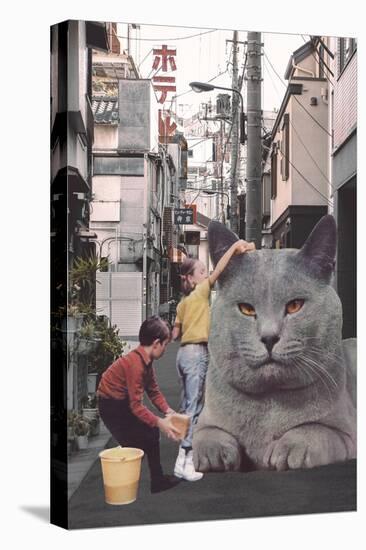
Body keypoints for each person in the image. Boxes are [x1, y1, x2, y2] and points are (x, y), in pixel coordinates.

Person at [172, 239, 255, 481]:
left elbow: (175, 334)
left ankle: (184, 453)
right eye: (201, 271)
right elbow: (219, 269)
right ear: (191, 278)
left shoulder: (182, 303)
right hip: (197, 353)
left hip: (182, 355)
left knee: (186, 403)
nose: (205, 273)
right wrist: (235, 246)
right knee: (194, 407)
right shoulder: (200, 292)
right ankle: (184, 459)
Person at [97, 316, 181, 494]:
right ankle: (119, 484)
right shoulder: (135, 364)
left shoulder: (146, 362)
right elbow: (136, 406)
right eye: (166, 344)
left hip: (121, 401)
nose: (166, 349)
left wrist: (168, 411)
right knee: (138, 442)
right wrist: (160, 422)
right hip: (110, 405)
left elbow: (154, 391)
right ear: (157, 343)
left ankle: (156, 481)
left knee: (149, 434)